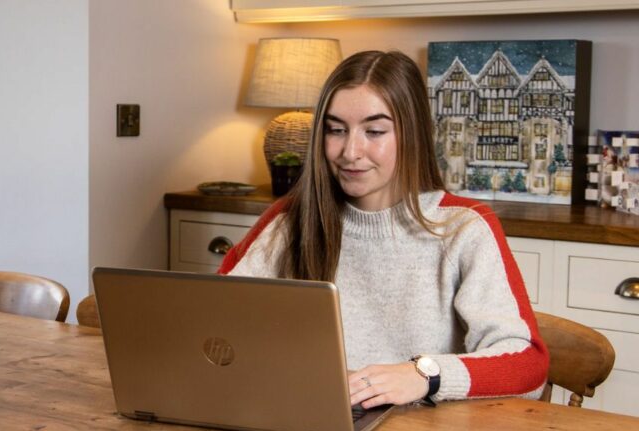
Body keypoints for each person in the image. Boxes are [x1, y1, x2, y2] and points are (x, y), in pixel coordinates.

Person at [219, 50, 548, 409]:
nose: (350, 151)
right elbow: (211, 327)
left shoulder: (463, 227)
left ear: (412, 135)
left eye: (374, 131)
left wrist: (425, 374)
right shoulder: (289, 219)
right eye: (335, 130)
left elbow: (527, 365)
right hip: (300, 420)